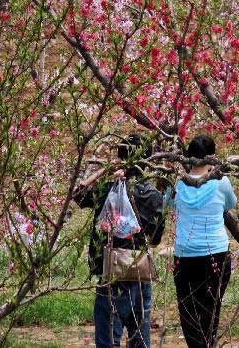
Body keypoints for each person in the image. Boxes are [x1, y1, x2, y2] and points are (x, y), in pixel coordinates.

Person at [73, 134, 165, 348]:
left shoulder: (107, 190)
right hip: (139, 270)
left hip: (110, 270)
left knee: (107, 339)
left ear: (119, 157)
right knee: (140, 338)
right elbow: (156, 239)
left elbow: (78, 195)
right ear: (147, 160)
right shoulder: (153, 195)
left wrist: (102, 171)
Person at [172, 135, 237, 348]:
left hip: (185, 256)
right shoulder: (221, 182)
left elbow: (166, 204)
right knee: (210, 314)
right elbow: (231, 203)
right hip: (215, 255)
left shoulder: (178, 183)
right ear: (212, 157)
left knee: (189, 315)